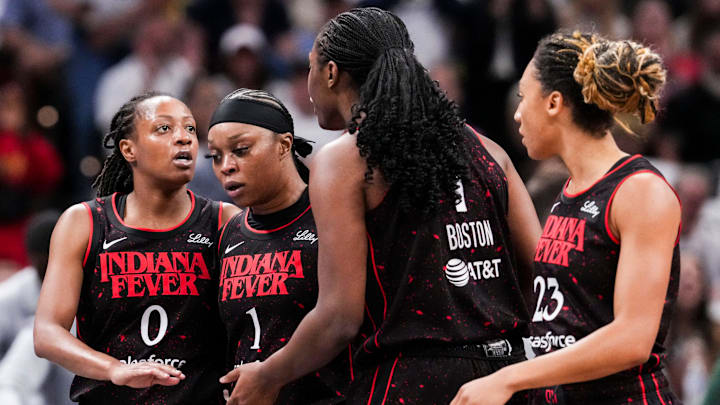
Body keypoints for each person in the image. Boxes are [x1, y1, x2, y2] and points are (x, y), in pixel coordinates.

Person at [219, 7, 541, 405]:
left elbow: (339, 317)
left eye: (310, 68)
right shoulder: (488, 150)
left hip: (412, 384)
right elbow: (541, 272)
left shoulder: (345, 161)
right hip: (508, 379)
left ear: (331, 73)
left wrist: (268, 376)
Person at [451, 31, 681, 405]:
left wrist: (509, 378)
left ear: (554, 102)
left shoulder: (639, 190)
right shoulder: (568, 192)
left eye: (524, 97)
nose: (517, 113)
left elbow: (633, 340)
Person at [33, 92, 239, 404]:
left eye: (191, 129)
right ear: (129, 149)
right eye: (164, 129)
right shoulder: (85, 222)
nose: (183, 138)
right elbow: (47, 333)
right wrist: (114, 369)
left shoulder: (224, 221)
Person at [208, 88, 350, 404]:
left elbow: (345, 322)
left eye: (241, 149)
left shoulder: (331, 214)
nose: (226, 166)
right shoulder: (231, 232)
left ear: (284, 145)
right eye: (215, 156)